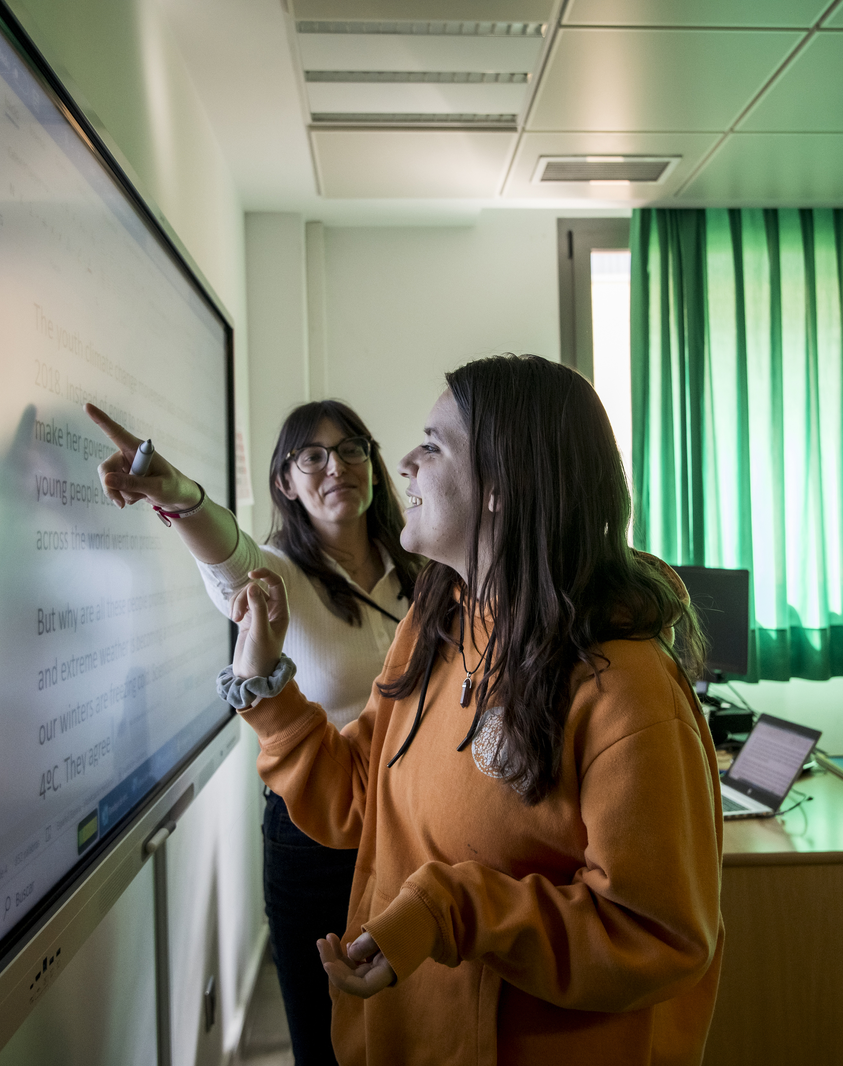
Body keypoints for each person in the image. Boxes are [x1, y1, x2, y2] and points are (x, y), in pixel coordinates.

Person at [219, 355, 723, 1065]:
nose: (403, 462)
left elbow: (656, 934)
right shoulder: (438, 624)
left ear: (500, 488)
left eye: (433, 446)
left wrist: (453, 910)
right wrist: (267, 688)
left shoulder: (627, 688)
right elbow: (359, 794)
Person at [86, 399, 423, 1066]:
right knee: (327, 1034)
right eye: (312, 456)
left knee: (413, 1023)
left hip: (414, 817)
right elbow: (229, 554)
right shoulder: (278, 573)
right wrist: (177, 494)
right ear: (285, 482)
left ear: (374, 464)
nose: (336, 466)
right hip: (314, 831)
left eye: (351, 449)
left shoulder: (422, 570)